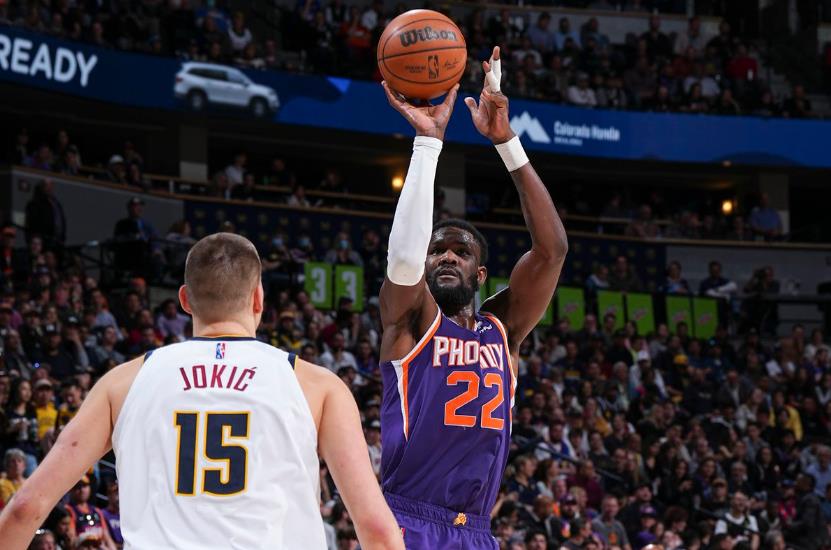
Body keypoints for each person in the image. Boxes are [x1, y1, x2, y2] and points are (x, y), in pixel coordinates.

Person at [0, 233, 404, 550]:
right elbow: (375, 529)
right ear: (258, 298)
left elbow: (25, 508)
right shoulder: (319, 386)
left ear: (184, 300)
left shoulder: (122, 382)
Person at [378, 46, 568, 549]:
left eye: (460, 252)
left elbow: (552, 251)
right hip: (407, 521)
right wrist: (428, 143)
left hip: (477, 532)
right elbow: (403, 261)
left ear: (480, 274)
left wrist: (506, 142)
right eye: (436, 250)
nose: (446, 256)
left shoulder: (502, 329)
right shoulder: (410, 321)